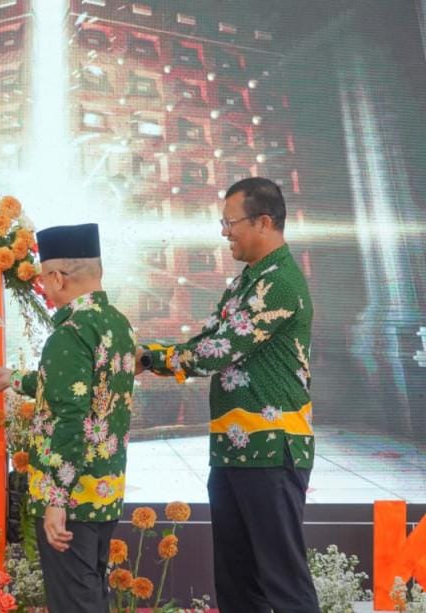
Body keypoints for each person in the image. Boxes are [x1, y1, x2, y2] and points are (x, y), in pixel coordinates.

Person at [136, 177, 319, 612]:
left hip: (272, 449)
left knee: (283, 582)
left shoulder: (280, 283)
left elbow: (218, 351)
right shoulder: (245, 283)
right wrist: (152, 354)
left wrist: (150, 358)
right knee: (236, 583)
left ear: (264, 222)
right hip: (233, 449)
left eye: (229, 222)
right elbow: (207, 339)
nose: (224, 232)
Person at [0, 223, 135, 612]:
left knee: (74, 602)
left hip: (71, 498)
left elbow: (70, 417)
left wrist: (56, 499)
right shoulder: (117, 323)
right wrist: (14, 378)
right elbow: (78, 387)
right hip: (102, 492)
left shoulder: (70, 332)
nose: (44, 290)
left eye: (43, 280)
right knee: (90, 594)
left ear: (58, 277)